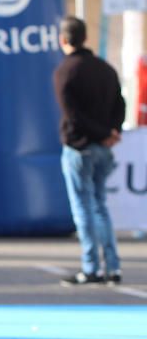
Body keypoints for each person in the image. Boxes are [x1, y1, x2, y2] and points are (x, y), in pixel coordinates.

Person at [53, 16, 126, 286]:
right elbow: (120, 103)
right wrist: (112, 131)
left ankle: (91, 267)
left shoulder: (65, 71)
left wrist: (102, 133)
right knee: (100, 206)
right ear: (85, 38)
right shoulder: (105, 69)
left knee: (83, 208)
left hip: (79, 147)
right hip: (103, 147)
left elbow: (73, 116)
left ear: (63, 40)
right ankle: (113, 266)